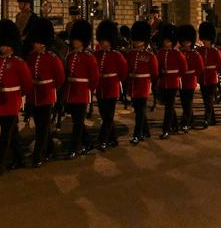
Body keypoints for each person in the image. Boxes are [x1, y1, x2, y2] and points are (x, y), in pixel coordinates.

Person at [0, 19, 32, 175]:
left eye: (5, 45)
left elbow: (27, 84)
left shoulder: (19, 62)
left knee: (5, 134)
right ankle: (20, 159)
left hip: (12, 101)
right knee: (12, 133)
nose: (2, 48)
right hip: (1, 101)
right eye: (1, 44)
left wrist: (19, 97)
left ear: (11, 46)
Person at [24, 16, 64, 167]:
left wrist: (51, 90)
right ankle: (50, 150)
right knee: (42, 126)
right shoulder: (31, 57)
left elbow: (60, 78)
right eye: (35, 41)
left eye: (39, 42)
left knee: (41, 128)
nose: (36, 44)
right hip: (33, 96)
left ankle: (38, 156)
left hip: (46, 95)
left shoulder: (52, 58)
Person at [64, 19, 99, 157]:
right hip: (71, 91)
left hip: (82, 91)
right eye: (74, 39)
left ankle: (75, 147)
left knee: (78, 122)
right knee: (76, 120)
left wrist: (89, 91)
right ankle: (88, 142)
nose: (75, 42)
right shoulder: (71, 55)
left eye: (77, 40)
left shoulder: (88, 57)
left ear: (83, 41)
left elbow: (94, 77)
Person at [94, 19, 127, 149]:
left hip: (112, 87)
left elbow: (123, 73)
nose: (102, 43)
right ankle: (113, 139)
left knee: (108, 116)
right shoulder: (97, 55)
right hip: (101, 87)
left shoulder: (117, 56)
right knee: (104, 115)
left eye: (105, 40)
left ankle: (103, 140)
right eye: (101, 40)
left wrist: (116, 82)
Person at [125, 20, 158, 143]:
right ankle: (146, 131)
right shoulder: (130, 54)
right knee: (139, 110)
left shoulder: (149, 56)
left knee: (140, 111)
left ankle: (136, 135)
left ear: (144, 41)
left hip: (143, 85)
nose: (136, 42)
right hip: (133, 85)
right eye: (135, 39)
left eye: (138, 39)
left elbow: (154, 73)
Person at [156, 23, 185, 139]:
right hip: (164, 82)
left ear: (172, 42)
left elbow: (183, 68)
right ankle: (175, 125)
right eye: (164, 40)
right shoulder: (161, 53)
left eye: (168, 41)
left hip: (173, 82)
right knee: (169, 105)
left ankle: (165, 129)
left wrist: (177, 77)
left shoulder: (177, 54)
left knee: (168, 107)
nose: (165, 42)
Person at [177, 24, 202, 131]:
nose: (185, 43)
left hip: (190, 80)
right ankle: (190, 120)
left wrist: (195, 78)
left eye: (187, 40)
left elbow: (199, 68)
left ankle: (185, 122)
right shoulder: (180, 53)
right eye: (184, 40)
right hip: (182, 80)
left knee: (188, 101)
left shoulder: (195, 54)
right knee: (184, 102)